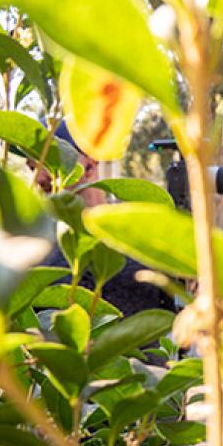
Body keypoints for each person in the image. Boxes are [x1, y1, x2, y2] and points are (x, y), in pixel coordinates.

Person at [28, 125, 175, 317]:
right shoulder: (33, 247)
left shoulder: (140, 233)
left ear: (90, 164)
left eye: (48, 163)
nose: (38, 178)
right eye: (32, 168)